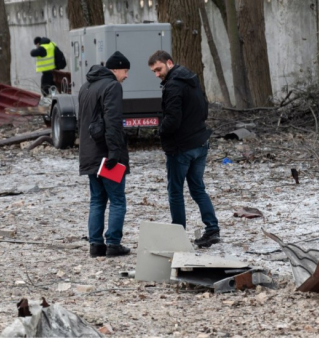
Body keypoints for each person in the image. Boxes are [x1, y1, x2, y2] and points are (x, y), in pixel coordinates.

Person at [147, 50, 220, 248]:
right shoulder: (192, 79)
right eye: (153, 71)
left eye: (159, 69)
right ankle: (212, 229)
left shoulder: (173, 86)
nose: (157, 74)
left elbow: (172, 120)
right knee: (198, 189)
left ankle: (177, 235)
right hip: (200, 143)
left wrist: (159, 131)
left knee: (175, 192)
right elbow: (204, 109)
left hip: (181, 148)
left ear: (169, 63)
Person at [78, 51, 131, 258]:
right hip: (107, 155)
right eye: (125, 71)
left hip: (89, 154)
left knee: (97, 200)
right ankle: (114, 243)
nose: (126, 75)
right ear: (115, 69)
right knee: (117, 200)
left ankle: (96, 244)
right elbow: (113, 122)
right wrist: (115, 153)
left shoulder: (85, 87)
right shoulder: (112, 86)